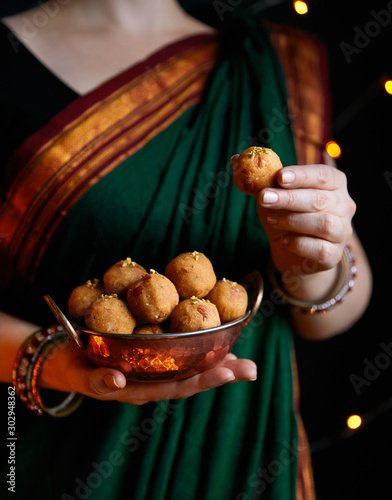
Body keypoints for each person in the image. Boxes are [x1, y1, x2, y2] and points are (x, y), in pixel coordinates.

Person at [0, 0, 372, 499]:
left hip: (239, 455)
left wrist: (304, 261)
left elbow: (331, 313)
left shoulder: (269, 63)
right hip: (55, 447)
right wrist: (54, 362)